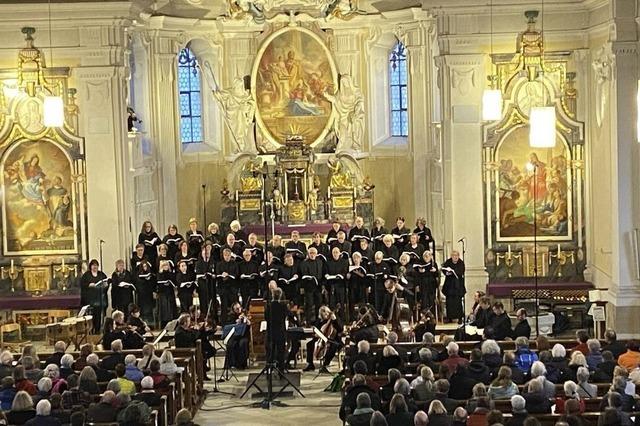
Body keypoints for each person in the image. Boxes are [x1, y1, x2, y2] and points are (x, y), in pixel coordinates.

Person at [302, 306, 343, 373]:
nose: (325, 315)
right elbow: (316, 328)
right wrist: (316, 334)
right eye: (322, 313)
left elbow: (340, 329)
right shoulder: (320, 320)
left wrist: (335, 320)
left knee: (333, 346)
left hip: (334, 339)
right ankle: (310, 364)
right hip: (321, 338)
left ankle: (325, 365)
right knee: (309, 344)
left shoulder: (335, 319)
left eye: (326, 312)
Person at [80, 259, 108, 332]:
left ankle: (98, 329)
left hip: (99, 299)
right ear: (90, 266)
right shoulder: (86, 275)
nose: (95, 267)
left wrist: (105, 285)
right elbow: (82, 285)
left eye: (96, 265)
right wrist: (89, 285)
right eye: (93, 265)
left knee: (98, 314)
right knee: (91, 315)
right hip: (90, 299)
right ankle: (91, 329)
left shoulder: (101, 274)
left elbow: (106, 282)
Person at [298, 247, 324, 324]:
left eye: (314, 253)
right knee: (309, 305)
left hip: (318, 287)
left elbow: (321, 274)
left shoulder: (320, 262)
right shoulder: (304, 263)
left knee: (318, 304)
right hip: (308, 287)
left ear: (316, 254)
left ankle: (318, 321)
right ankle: (308, 321)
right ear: (308, 254)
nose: (312, 255)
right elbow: (303, 274)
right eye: (311, 253)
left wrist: (322, 285)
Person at [224, 303, 251, 370]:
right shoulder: (231, 316)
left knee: (242, 344)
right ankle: (231, 364)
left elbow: (249, 324)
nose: (239, 310)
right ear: (233, 310)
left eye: (239, 308)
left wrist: (246, 319)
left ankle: (241, 364)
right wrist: (237, 322)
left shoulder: (244, 314)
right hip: (234, 336)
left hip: (243, 336)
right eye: (237, 309)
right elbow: (229, 327)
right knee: (230, 344)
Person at [441, 251, 465, 323]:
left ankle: (460, 317)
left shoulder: (461, 263)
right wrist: (447, 272)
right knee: (449, 302)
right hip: (449, 285)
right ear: (451, 256)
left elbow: (461, 271)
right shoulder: (448, 262)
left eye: (456, 255)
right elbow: (444, 269)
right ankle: (450, 317)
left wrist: (454, 272)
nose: (455, 257)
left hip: (458, 285)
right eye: (454, 255)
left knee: (458, 302)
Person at [216, 248, 239, 323]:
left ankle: (236, 322)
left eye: (228, 255)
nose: (227, 257)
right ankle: (224, 323)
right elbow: (217, 275)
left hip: (232, 288)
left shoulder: (234, 264)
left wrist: (230, 275)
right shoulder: (219, 264)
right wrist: (222, 276)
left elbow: (237, 274)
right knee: (224, 307)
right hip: (223, 289)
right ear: (223, 255)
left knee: (235, 307)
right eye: (225, 255)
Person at [325, 246, 349, 315]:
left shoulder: (344, 262)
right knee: (332, 304)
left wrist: (342, 275)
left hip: (341, 285)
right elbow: (326, 272)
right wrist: (326, 275)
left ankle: (342, 319)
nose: (335, 254)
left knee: (341, 303)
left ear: (340, 253)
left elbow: (345, 272)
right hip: (331, 285)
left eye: (336, 252)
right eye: (333, 252)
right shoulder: (328, 262)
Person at [195, 242, 216, 317]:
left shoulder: (213, 261)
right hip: (202, 285)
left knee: (212, 302)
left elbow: (215, 272)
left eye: (207, 253)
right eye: (204, 253)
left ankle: (213, 318)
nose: (206, 254)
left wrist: (213, 275)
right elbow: (197, 273)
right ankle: (204, 317)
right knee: (203, 302)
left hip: (211, 284)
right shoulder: (198, 263)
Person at [156, 260, 178, 327]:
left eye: (166, 265)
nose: (165, 267)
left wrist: (170, 283)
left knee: (171, 307)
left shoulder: (171, 274)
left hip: (170, 292)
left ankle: (172, 322)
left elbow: (174, 283)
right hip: (162, 293)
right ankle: (164, 323)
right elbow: (158, 284)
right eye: (164, 265)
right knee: (164, 309)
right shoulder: (159, 274)